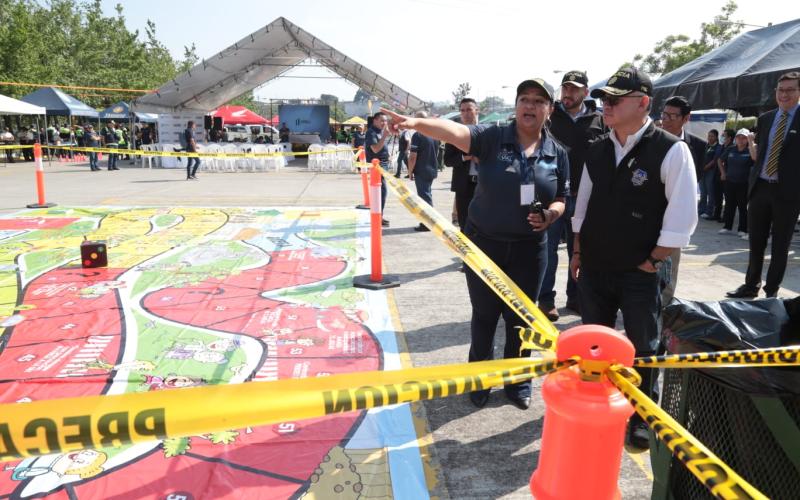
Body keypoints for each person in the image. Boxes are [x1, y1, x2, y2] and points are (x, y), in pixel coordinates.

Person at [382, 77, 569, 411]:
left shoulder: (557, 153)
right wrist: (415, 123)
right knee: (485, 315)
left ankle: (518, 380)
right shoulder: (492, 137)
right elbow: (452, 131)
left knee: (521, 319)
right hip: (484, 246)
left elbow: (562, 198)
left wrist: (551, 215)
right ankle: (479, 378)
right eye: (524, 99)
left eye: (539, 101)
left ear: (550, 110)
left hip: (530, 251)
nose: (530, 105)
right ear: (516, 106)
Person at [571, 67, 697, 450]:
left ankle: (642, 416)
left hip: (640, 271)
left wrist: (653, 261)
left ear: (643, 103)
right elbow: (583, 204)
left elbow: (682, 217)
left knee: (644, 346)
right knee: (596, 343)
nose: (605, 105)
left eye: (615, 99)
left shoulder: (671, 149)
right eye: (604, 99)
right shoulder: (598, 148)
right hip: (595, 267)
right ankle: (597, 405)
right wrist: (577, 250)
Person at [538, 70, 605, 320]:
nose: (568, 93)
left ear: (585, 92)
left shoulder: (600, 120)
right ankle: (546, 300)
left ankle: (575, 297)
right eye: (565, 88)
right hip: (554, 197)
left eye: (574, 89)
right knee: (548, 251)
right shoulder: (549, 116)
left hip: (585, 198)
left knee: (580, 252)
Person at [727, 72, 800, 299]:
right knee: (755, 241)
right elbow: (761, 153)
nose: (784, 94)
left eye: (790, 90)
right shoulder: (766, 118)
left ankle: (771, 292)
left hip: (788, 193)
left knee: (780, 245)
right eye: (780, 90)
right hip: (760, 188)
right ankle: (750, 285)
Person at [657, 95, 705, 305]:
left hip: (675, 212)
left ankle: (665, 304)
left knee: (670, 261)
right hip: (649, 210)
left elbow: (695, 178)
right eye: (664, 114)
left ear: (686, 118)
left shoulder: (698, 146)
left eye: (672, 116)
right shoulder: (652, 140)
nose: (665, 120)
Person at [444, 98, 480, 233]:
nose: (466, 113)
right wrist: (466, 157)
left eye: (469, 109)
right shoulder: (454, 134)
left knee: (483, 222)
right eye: (463, 110)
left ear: (477, 111)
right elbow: (448, 161)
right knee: (464, 222)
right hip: (464, 185)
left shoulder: (488, 132)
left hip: (484, 185)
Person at [718, 129, 756, 237]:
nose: (741, 140)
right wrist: (723, 173)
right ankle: (727, 227)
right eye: (739, 137)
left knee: (742, 207)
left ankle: (742, 229)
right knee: (729, 205)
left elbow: (756, 161)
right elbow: (720, 160)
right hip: (730, 181)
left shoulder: (750, 150)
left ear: (747, 139)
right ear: (736, 138)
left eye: (744, 138)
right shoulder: (731, 149)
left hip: (744, 183)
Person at [407, 111, 440, 231]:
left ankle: (428, 223)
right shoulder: (434, 134)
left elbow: (412, 156)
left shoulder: (418, 135)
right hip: (432, 168)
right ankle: (429, 221)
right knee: (427, 194)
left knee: (424, 197)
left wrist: (410, 171)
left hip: (422, 170)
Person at [365, 112, 391, 227]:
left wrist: (387, 155)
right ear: (375, 120)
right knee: (381, 193)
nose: (384, 123)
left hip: (383, 164)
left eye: (385, 121)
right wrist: (385, 136)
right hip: (377, 166)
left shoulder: (379, 131)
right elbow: (375, 149)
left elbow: (381, 147)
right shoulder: (371, 132)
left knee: (381, 192)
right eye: (382, 120)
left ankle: (379, 216)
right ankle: (377, 217)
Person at [699, 129, 723, 219]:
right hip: (702, 171)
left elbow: (715, 159)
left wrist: (706, 167)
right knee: (703, 192)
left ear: (716, 137)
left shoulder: (718, 147)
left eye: (712, 136)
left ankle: (709, 211)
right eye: (709, 136)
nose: (709, 138)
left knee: (710, 192)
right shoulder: (706, 145)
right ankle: (701, 209)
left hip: (711, 171)